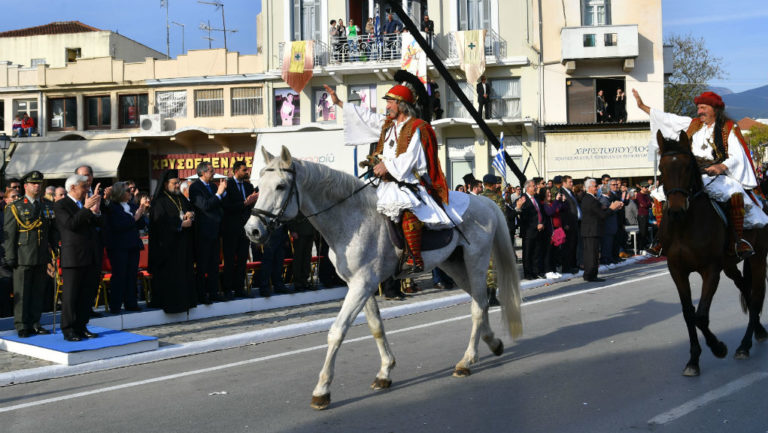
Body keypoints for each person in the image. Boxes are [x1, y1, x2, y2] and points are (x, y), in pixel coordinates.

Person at [324, 79, 451, 273]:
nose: (387, 106)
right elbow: (366, 117)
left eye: (390, 102)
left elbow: (411, 157)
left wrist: (388, 166)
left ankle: (415, 258)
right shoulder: (388, 125)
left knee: (407, 208)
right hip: (385, 181)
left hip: (409, 181)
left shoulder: (419, 127)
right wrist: (340, 103)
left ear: (401, 104)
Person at [633, 89, 768, 258]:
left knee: (734, 192)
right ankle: (662, 239)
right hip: (693, 173)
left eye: (703, 107)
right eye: (698, 108)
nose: (699, 112)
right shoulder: (693, 124)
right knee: (659, 194)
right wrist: (643, 107)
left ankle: (737, 241)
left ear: (715, 109)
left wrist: (721, 167)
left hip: (718, 175)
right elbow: (668, 119)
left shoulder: (727, 128)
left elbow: (737, 155)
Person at [2, 171, 58, 338]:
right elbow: (10, 234)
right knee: (23, 291)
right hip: (23, 255)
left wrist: (54, 251)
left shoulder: (46, 205)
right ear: (25, 186)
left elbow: (52, 231)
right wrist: (10, 257)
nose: (37, 186)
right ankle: (21, 324)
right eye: (33, 183)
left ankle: (35, 322)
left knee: (37, 291)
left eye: (39, 183)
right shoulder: (15, 206)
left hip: (41, 255)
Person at [54, 174, 103, 341]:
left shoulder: (85, 204)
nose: (87, 190)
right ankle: (68, 329)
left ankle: (82, 326)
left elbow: (98, 225)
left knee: (87, 294)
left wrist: (95, 211)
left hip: (90, 255)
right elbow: (71, 225)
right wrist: (86, 209)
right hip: (73, 257)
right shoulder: (61, 205)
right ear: (73, 187)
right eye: (84, 186)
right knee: (71, 296)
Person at [148, 169, 197, 313]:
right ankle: (173, 306)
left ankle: (185, 303)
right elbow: (159, 223)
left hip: (183, 246)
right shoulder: (159, 202)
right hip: (167, 249)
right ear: (165, 184)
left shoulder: (181, 198)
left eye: (178, 182)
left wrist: (191, 215)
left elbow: (189, 211)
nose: (177, 185)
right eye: (174, 183)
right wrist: (180, 224)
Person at [104, 182, 147, 314]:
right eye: (127, 190)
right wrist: (135, 218)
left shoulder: (132, 205)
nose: (130, 192)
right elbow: (118, 225)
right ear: (119, 193)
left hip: (133, 244)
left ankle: (131, 302)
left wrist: (140, 215)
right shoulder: (112, 207)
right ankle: (115, 305)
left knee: (131, 275)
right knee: (119, 275)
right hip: (118, 246)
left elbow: (140, 224)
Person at [189, 161, 226, 304]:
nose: (214, 173)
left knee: (214, 264)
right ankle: (201, 294)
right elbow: (204, 206)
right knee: (202, 265)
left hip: (215, 231)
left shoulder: (212, 185)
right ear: (203, 172)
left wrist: (222, 193)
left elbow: (218, 205)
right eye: (211, 171)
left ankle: (213, 292)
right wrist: (218, 194)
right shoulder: (195, 188)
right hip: (203, 232)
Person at [221, 161, 258, 298]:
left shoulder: (249, 186)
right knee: (230, 261)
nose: (246, 172)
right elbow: (226, 206)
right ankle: (227, 290)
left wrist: (254, 200)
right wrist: (244, 203)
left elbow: (251, 206)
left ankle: (239, 289)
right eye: (244, 170)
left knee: (243, 260)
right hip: (230, 229)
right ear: (236, 171)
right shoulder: (227, 185)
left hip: (245, 229)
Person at [581, 178, 623, 282]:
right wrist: (611, 208)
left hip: (592, 230)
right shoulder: (589, 199)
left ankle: (590, 274)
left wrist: (610, 207)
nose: (597, 188)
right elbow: (602, 215)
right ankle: (590, 275)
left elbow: (600, 209)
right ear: (589, 188)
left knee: (592, 253)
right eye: (595, 186)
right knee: (592, 254)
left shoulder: (591, 198)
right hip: (591, 230)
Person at [481, 174, 504, 305]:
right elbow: (501, 217)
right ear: (494, 184)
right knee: (493, 266)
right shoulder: (497, 198)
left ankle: (484, 295)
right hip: (493, 235)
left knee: (483, 265)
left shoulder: (479, 198)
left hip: (480, 236)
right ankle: (492, 296)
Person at [515, 179, 545, 280]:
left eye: (535, 186)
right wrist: (535, 225)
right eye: (533, 186)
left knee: (536, 253)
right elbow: (523, 217)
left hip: (539, 230)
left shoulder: (535, 198)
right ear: (528, 188)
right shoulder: (523, 199)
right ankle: (528, 273)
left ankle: (535, 272)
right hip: (528, 231)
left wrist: (542, 223)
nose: (535, 187)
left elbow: (541, 212)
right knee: (528, 254)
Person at [560, 175, 581, 274]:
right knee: (568, 247)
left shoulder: (571, 192)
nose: (572, 184)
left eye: (572, 182)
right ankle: (567, 267)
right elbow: (562, 211)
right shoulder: (562, 193)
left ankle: (573, 265)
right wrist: (565, 223)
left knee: (573, 245)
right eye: (570, 182)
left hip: (575, 223)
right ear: (564, 183)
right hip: (568, 224)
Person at [635, 182, 652, 249]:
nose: (647, 188)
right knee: (642, 232)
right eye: (645, 187)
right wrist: (648, 203)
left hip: (646, 214)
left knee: (645, 232)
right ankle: (641, 247)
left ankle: (643, 246)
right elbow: (645, 205)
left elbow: (647, 205)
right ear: (641, 187)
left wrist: (648, 204)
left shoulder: (646, 195)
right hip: (642, 215)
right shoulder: (639, 195)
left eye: (647, 187)